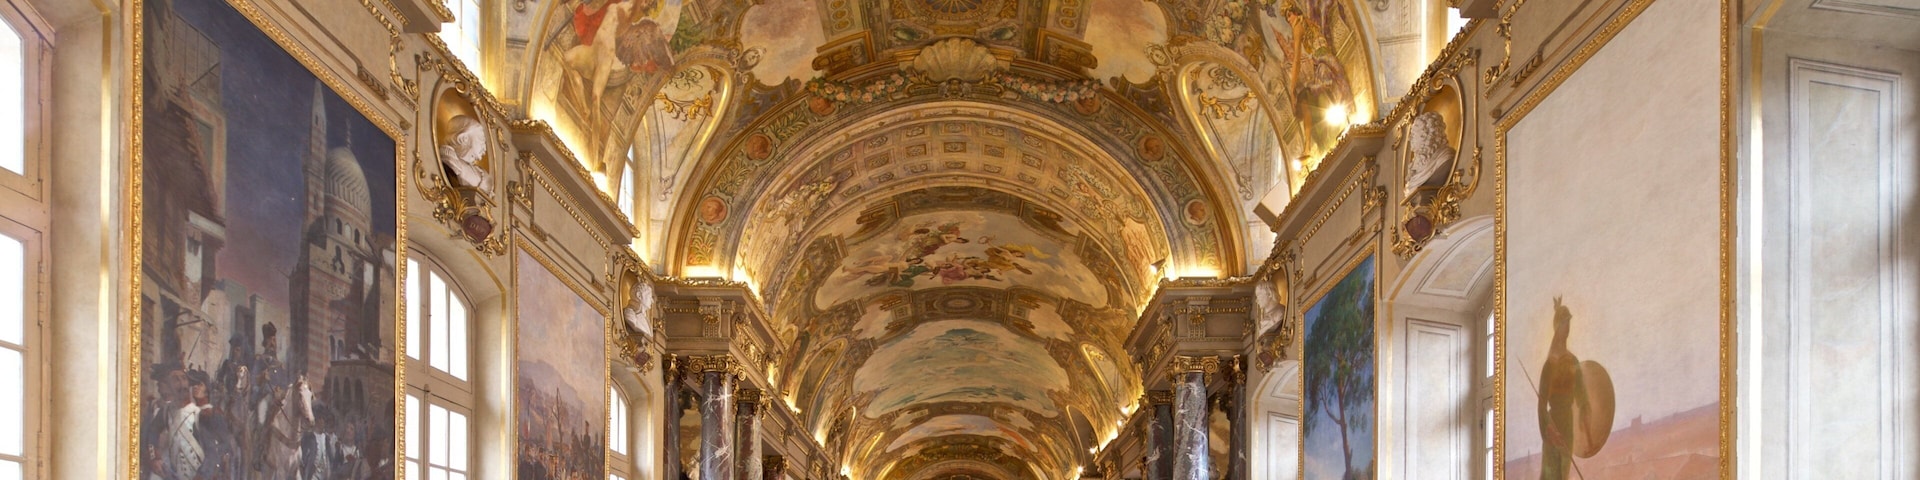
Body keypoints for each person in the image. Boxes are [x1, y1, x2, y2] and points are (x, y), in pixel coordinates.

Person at [1537, 297, 1589, 480]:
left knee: (1563, 474)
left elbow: (1581, 392)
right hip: (1553, 424)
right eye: (1563, 323)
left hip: (1568, 424)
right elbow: (1542, 404)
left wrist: (1585, 409)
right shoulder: (1549, 366)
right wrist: (1548, 429)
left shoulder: (1573, 361)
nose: (1567, 328)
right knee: (1551, 473)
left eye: (1568, 323)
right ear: (1557, 327)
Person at [439, 115, 492, 193]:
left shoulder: (480, 173)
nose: (484, 148)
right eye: (481, 140)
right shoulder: (449, 158)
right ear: (464, 138)